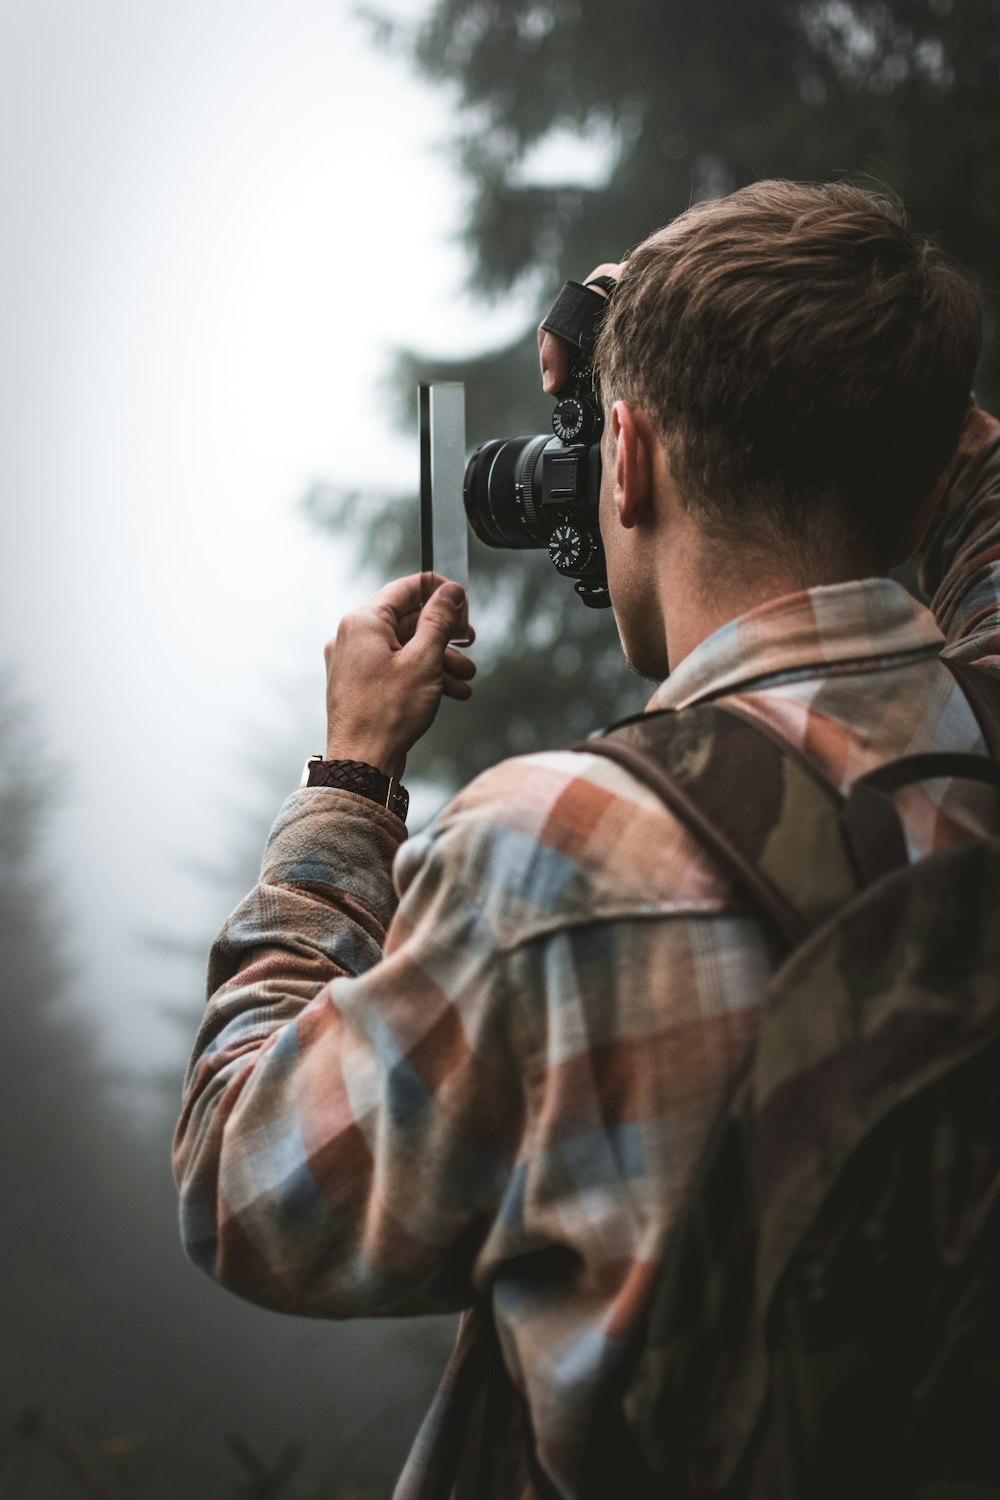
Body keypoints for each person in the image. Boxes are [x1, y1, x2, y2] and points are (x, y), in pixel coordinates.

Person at [173, 179, 1000, 1500]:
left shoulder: (556, 849)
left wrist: (350, 779)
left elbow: (247, 1186)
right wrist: (748, 357)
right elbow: (964, 469)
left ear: (623, 460)